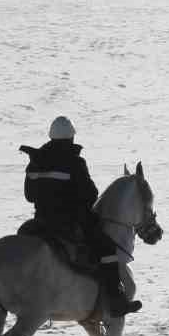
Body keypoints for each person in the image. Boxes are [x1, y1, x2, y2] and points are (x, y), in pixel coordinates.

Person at [21, 116, 141, 316]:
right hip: (67, 223)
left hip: (39, 222)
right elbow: (91, 194)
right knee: (106, 248)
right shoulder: (75, 161)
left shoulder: (35, 162)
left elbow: (29, 195)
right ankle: (115, 301)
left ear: (51, 137)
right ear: (71, 138)